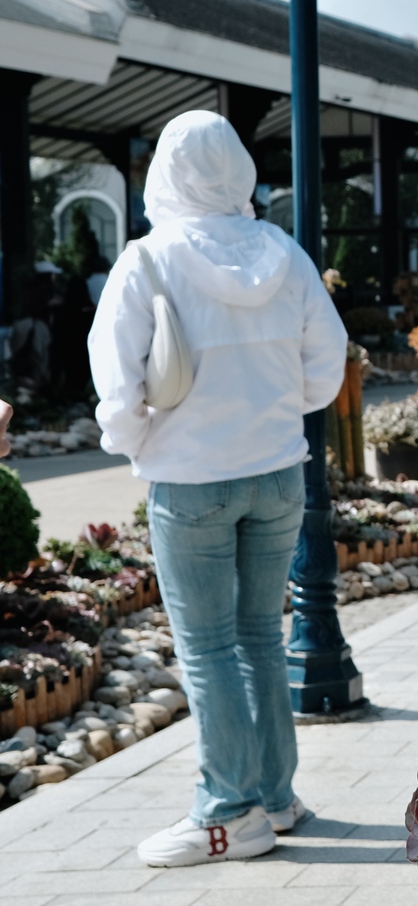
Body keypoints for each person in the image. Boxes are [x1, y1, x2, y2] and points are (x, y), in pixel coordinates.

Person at [87, 110, 346, 867]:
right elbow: (325, 363)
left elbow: (115, 383)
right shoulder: (283, 252)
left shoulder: (149, 259)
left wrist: (139, 444)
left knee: (206, 649)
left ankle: (225, 814)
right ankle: (276, 796)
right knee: (262, 637)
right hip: (276, 472)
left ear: (166, 172)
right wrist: (274, 411)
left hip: (190, 478)